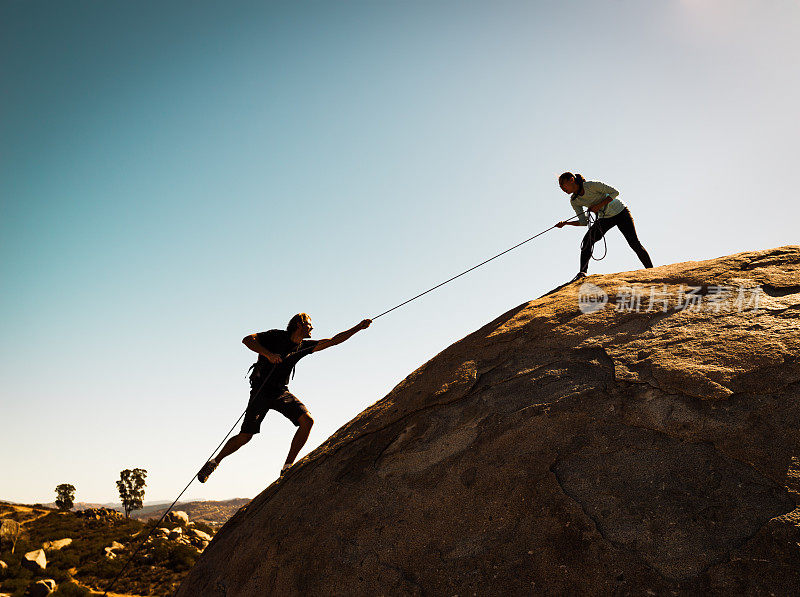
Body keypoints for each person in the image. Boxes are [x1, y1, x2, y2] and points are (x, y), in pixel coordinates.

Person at [197, 313, 372, 482]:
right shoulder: (276, 336)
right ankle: (214, 462)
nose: (312, 327)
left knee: (307, 421)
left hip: (281, 392)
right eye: (309, 324)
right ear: (300, 324)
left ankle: (287, 467)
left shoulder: (303, 346)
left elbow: (333, 341)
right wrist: (268, 354)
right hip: (261, 391)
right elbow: (248, 340)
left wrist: (358, 327)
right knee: (246, 435)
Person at [555, 172, 653, 281]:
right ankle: (582, 272)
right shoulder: (575, 201)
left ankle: (651, 270)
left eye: (563, 185)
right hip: (605, 218)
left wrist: (598, 206)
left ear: (571, 180)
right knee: (587, 241)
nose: (562, 189)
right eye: (560, 187)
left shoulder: (591, 185)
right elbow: (583, 222)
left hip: (621, 212)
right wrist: (566, 224)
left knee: (634, 243)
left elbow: (615, 192)